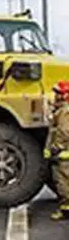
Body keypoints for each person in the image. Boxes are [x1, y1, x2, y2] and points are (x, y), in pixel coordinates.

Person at [46, 80, 69, 220]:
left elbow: (64, 132)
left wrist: (56, 148)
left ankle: (66, 212)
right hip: (62, 154)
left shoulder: (65, 112)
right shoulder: (60, 111)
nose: (55, 96)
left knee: (64, 183)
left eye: (58, 94)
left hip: (64, 156)